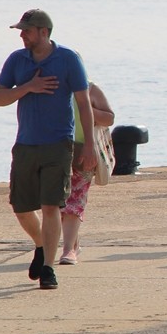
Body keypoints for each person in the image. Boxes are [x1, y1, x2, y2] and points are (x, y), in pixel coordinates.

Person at [0, 9, 97, 291]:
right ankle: (41, 245)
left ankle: (49, 268)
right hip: (25, 143)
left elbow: (84, 103)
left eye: (27, 30)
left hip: (58, 144)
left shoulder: (68, 59)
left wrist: (90, 146)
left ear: (44, 32)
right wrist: (28, 87)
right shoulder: (17, 60)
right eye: (21, 31)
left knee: (51, 206)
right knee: (21, 207)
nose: (22, 35)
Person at [59, 81, 115, 265]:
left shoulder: (90, 89)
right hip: (55, 150)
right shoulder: (51, 86)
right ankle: (73, 244)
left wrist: (88, 110)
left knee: (75, 200)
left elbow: (109, 118)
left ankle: (68, 250)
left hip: (84, 151)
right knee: (58, 203)